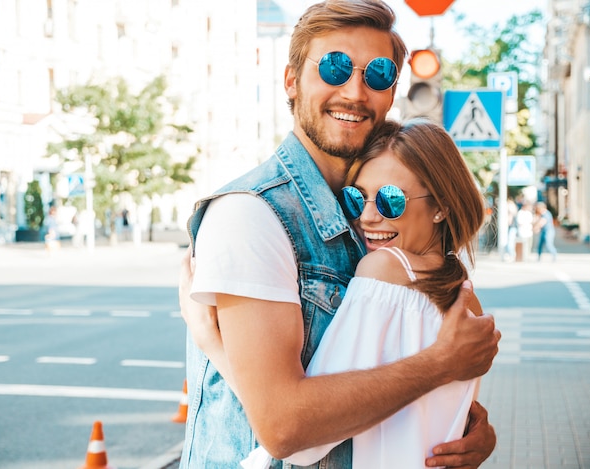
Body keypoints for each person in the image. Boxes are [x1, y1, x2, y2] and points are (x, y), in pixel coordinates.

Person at [179, 1, 500, 468]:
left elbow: (392, 385)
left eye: (378, 74)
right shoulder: (252, 216)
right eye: (334, 67)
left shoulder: (366, 221)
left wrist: (466, 427)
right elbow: (284, 427)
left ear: (392, 91)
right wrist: (440, 366)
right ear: (291, 81)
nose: (354, 91)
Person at [237, 118, 487, 468]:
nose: (368, 217)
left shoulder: (383, 271)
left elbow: (297, 439)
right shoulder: (468, 300)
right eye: (356, 199)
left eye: (390, 200)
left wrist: (211, 340)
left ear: (441, 207)